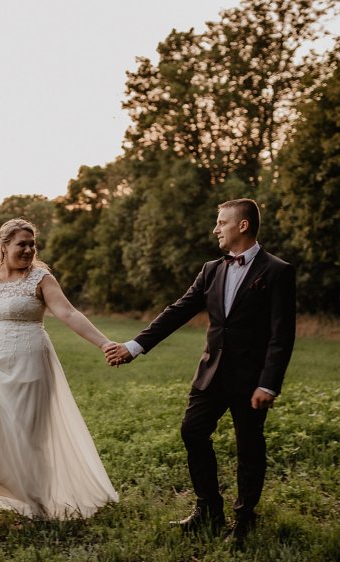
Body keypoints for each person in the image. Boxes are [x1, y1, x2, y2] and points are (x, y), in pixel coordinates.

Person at [105, 199, 296, 543]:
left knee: (249, 446)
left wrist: (268, 384)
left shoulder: (277, 271)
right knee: (192, 432)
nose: (215, 229)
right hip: (211, 373)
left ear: (242, 225)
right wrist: (135, 346)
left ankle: (244, 519)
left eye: (221, 222)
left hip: (251, 379)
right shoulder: (211, 269)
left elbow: (282, 335)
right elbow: (177, 311)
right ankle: (208, 509)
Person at [0, 218, 119, 519]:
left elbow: (68, 313)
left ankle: (38, 509)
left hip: (29, 364)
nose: (28, 250)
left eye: (31, 244)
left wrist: (104, 343)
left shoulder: (41, 279)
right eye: (21, 244)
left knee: (28, 437)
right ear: (3, 247)